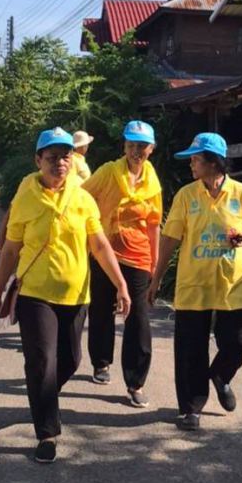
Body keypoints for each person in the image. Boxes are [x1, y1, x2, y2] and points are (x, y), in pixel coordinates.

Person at [0, 127, 132, 464]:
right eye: (51, 157)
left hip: (76, 295)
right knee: (41, 361)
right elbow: (10, 251)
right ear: (38, 160)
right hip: (35, 293)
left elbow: (99, 245)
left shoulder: (82, 198)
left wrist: (121, 284)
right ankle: (47, 433)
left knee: (71, 361)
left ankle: (43, 396)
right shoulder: (26, 197)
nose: (60, 163)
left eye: (65, 156)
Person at [149, 132, 242, 431]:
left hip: (233, 284)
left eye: (195, 159)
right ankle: (191, 408)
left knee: (238, 343)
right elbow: (170, 239)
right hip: (194, 283)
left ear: (213, 162)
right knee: (191, 349)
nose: (191, 165)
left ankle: (221, 375)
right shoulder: (186, 196)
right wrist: (156, 277)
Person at [82, 120, 162, 408]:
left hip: (138, 255)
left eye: (142, 146)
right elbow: (82, 197)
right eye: (131, 144)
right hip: (105, 252)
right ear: (124, 146)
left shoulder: (152, 181)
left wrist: (155, 263)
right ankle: (101, 362)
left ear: (151, 149)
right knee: (101, 308)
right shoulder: (108, 172)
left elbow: (153, 224)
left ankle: (135, 382)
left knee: (138, 317)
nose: (136, 150)